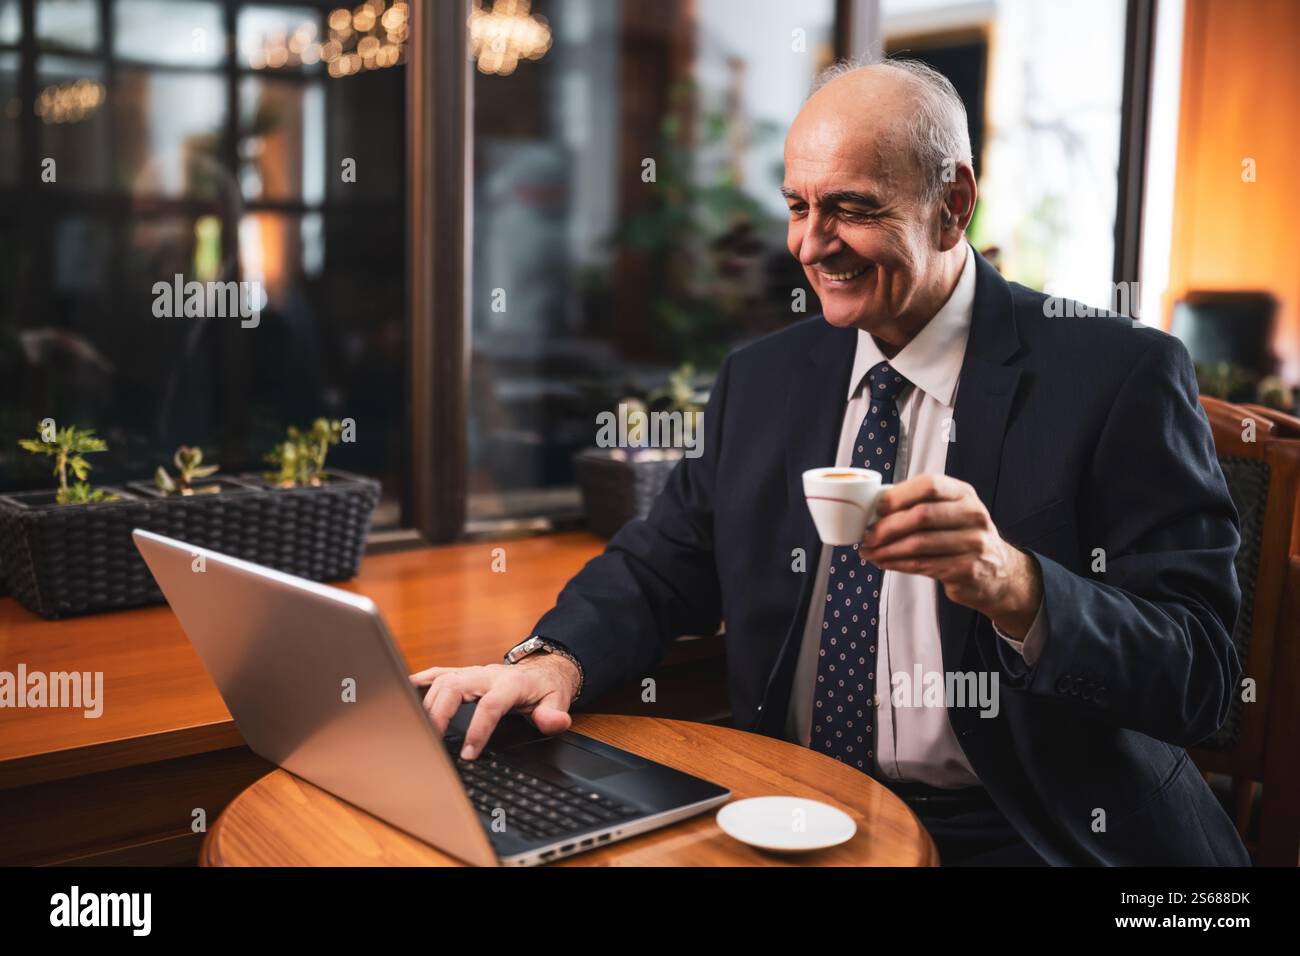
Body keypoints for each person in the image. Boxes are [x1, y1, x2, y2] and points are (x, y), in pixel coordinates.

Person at [410, 58, 1250, 866]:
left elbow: (1203, 678)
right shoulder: (764, 378)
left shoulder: (1117, 373)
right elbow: (661, 565)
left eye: (850, 208)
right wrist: (552, 659)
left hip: (1029, 830)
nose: (812, 245)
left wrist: (1019, 587)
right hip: (792, 811)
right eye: (797, 205)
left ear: (952, 203)